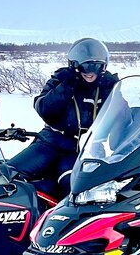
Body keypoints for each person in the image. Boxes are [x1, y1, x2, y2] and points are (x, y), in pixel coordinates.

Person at [8, 38, 119, 198]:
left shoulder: (109, 85)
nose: (90, 72)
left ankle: (59, 218)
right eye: (85, 66)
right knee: (7, 174)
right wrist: (68, 86)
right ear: (74, 65)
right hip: (50, 142)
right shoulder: (62, 79)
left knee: (72, 185)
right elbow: (44, 108)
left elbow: (121, 117)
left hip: (84, 150)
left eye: (96, 66)